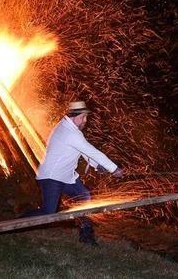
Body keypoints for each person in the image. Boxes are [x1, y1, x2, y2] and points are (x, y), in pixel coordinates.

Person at [22, 100, 123, 245]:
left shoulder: (69, 129)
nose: (85, 121)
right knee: (48, 212)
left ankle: (86, 235)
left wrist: (97, 166)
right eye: (83, 117)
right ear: (75, 116)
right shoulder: (69, 132)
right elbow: (91, 151)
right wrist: (114, 169)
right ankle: (17, 223)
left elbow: (84, 152)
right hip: (52, 177)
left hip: (66, 176)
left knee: (85, 197)